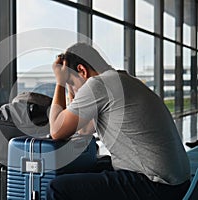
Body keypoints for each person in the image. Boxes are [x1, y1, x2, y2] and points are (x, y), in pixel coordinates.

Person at [47, 42, 191, 200]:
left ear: (82, 70)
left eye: (72, 84)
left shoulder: (98, 84)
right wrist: (70, 83)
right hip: (178, 183)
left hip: (157, 186)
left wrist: (60, 81)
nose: (74, 91)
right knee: (95, 165)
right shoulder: (123, 79)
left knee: (57, 188)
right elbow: (83, 129)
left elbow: (56, 131)